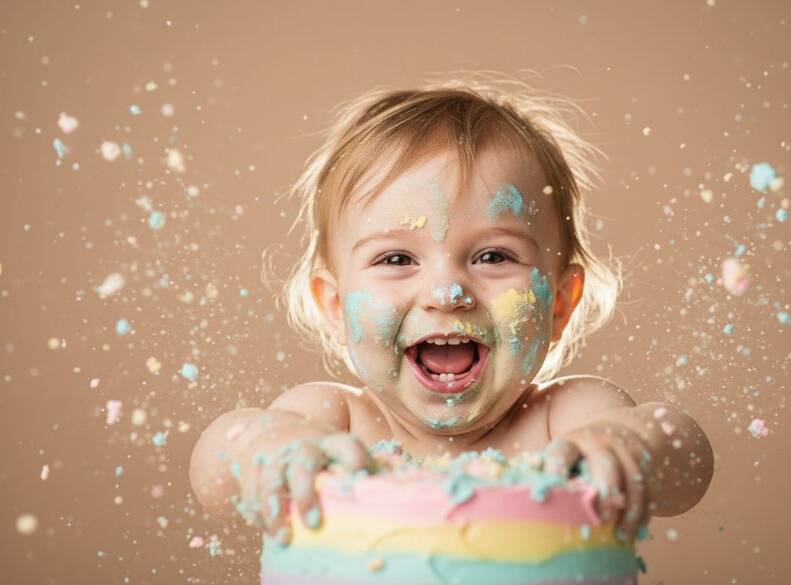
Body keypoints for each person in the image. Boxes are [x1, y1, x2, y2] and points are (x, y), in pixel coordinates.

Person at [189, 73, 714, 550]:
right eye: (397, 259)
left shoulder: (566, 421)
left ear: (559, 303)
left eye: (493, 256)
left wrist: (629, 446)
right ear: (334, 305)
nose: (447, 292)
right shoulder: (334, 423)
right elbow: (215, 467)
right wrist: (269, 448)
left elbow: (686, 457)